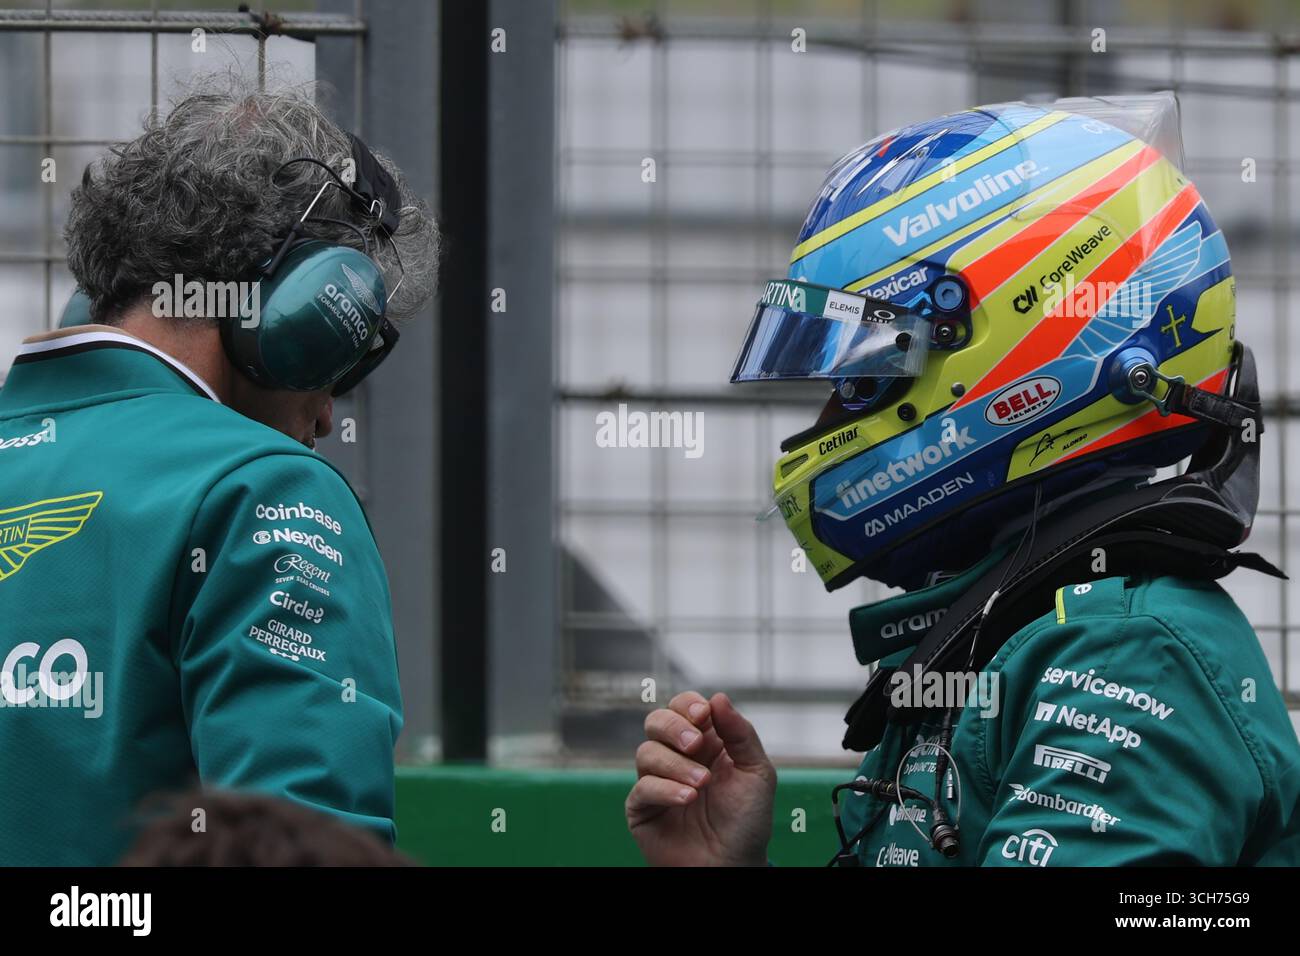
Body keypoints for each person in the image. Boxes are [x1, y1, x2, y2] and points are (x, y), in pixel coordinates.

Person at [626, 96, 1300, 866]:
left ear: (1013, 350)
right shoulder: (1001, 624)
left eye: (862, 376)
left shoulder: (1120, 652)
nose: (830, 415)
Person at [0, 74, 438, 865]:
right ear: (298, 308)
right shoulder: (262, 492)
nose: (329, 414)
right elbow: (305, 853)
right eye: (341, 363)